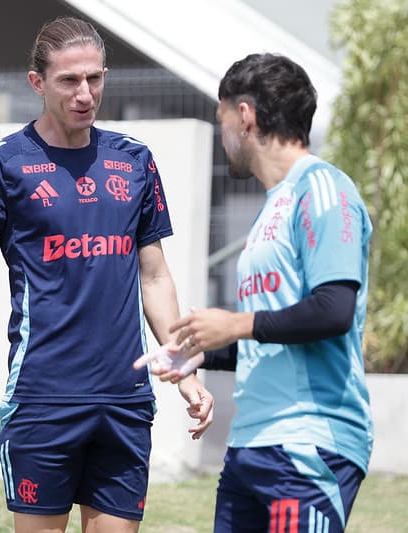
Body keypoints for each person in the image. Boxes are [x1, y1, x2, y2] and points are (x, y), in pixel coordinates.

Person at [0, 16, 214, 533]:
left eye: (95, 78)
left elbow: (154, 276)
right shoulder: (2, 165)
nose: (85, 93)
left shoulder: (134, 160)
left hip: (126, 398)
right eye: (69, 80)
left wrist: (185, 368)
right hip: (43, 399)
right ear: (36, 83)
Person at [146, 53, 374, 532]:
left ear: (245, 115)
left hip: (309, 445)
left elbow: (334, 310)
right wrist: (203, 355)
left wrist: (234, 323)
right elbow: (275, 331)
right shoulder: (273, 206)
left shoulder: (324, 190)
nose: (221, 131)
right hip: (251, 444)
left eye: (221, 117)